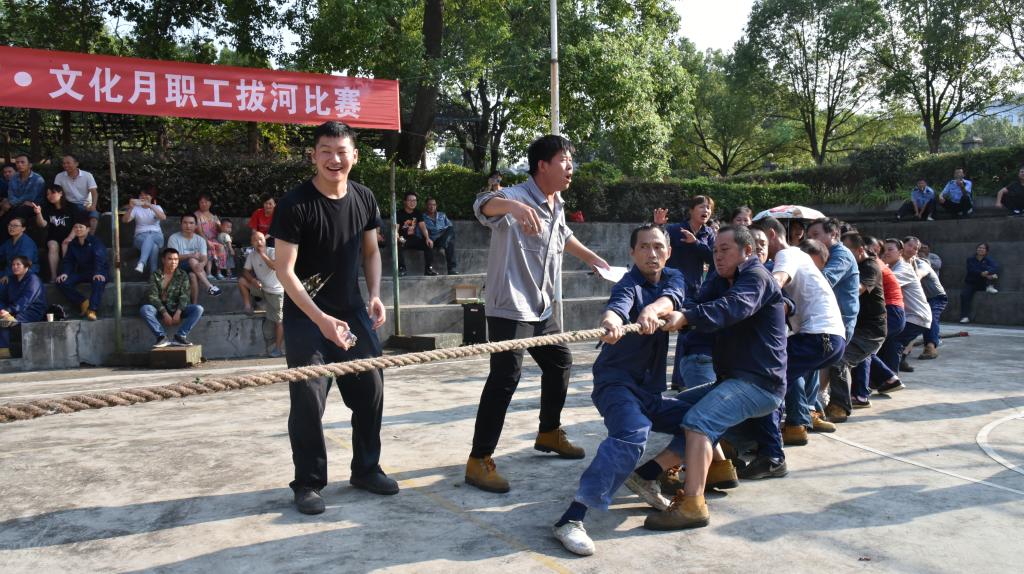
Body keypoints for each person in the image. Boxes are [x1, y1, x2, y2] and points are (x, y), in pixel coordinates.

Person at [465, 134, 609, 494]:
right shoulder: (515, 196)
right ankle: (478, 459)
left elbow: (564, 236)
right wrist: (512, 207)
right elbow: (482, 204)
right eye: (564, 161)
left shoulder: (556, 202)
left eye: (571, 161)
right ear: (542, 165)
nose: (570, 167)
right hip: (510, 306)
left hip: (541, 307)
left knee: (560, 362)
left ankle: (548, 432)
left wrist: (593, 259)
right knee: (505, 377)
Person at [270, 121, 395, 515]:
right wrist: (321, 320)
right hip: (306, 316)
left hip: (352, 310)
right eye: (325, 151)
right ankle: (308, 483)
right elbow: (285, 271)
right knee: (308, 399)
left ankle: (366, 469)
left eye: (342, 151)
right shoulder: (295, 204)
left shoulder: (364, 197)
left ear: (355, 156)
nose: (334, 159)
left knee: (371, 390)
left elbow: (371, 252)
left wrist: (374, 295)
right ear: (313, 155)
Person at [551, 224, 692, 556]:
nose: (652, 253)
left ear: (669, 252)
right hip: (615, 384)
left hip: (650, 391)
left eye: (658, 247)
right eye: (644, 247)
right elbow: (619, 303)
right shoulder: (628, 283)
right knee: (633, 431)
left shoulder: (674, 277)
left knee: (702, 421)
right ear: (632, 253)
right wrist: (613, 320)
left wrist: (651, 310)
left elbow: (672, 298)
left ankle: (647, 476)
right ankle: (571, 519)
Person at [642, 225, 788, 530]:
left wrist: (688, 317)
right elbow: (696, 302)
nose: (718, 256)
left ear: (747, 251)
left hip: (760, 384)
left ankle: (692, 505)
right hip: (732, 381)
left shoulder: (756, 278)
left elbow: (732, 307)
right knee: (671, 409)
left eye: (725, 250)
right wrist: (664, 311)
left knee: (699, 421)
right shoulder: (722, 280)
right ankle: (716, 469)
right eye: (715, 251)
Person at [750, 216, 845, 449]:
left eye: (759, 242)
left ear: (772, 234)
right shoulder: (799, 257)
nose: (755, 248)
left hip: (819, 335)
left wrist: (742, 304)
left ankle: (768, 443)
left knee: (769, 376)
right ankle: (795, 424)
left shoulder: (788, 254)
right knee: (785, 375)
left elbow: (777, 282)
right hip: (828, 336)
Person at [653, 196, 716, 390]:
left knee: (687, 333)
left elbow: (713, 257)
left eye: (709, 208)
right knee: (660, 335)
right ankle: (658, 381)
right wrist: (658, 225)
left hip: (695, 290)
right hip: (672, 289)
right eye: (702, 207)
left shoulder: (709, 233)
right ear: (691, 210)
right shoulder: (675, 229)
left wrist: (696, 243)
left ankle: (680, 381)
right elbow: (657, 242)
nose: (706, 211)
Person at [824, 233, 886, 422]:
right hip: (853, 327)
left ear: (859, 250)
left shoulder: (870, 267)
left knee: (839, 359)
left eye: (847, 251)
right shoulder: (854, 265)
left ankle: (840, 407)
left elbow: (855, 290)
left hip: (870, 331)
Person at [853, 236, 906, 407]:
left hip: (890, 312)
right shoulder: (873, 264)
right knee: (865, 349)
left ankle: (861, 394)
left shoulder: (872, 265)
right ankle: (888, 379)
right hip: (891, 312)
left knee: (862, 348)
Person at [878, 238, 930, 380]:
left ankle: (891, 378)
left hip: (916, 316)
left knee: (893, 341)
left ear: (900, 252)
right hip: (907, 315)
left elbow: (883, 283)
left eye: (890, 249)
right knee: (887, 341)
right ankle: (885, 378)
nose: (886, 253)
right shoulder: (890, 267)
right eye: (883, 250)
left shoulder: (903, 269)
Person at [140, 248, 204, 348]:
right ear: (163, 260)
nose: (174, 262)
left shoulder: (182, 275)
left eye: (176, 259)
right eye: (170, 259)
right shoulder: (156, 275)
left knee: (198, 309)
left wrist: (178, 312)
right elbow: (153, 297)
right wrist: (164, 313)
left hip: (178, 309)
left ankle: (180, 336)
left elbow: (185, 296)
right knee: (145, 309)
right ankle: (161, 337)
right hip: (160, 309)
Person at [238, 231, 284, 357]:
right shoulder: (251, 255)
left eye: (261, 239)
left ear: (265, 241)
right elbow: (245, 272)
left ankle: (278, 349)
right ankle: (248, 306)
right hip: (262, 288)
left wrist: (262, 254)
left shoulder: (272, 251)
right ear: (251, 243)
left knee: (279, 321)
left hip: (276, 292)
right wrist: (253, 280)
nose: (258, 242)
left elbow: (275, 266)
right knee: (242, 281)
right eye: (255, 240)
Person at [56, 216, 108, 321]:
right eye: (76, 227)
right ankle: (83, 303)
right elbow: (68, 260)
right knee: (62, 282)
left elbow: (100, 258)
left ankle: (92, 310)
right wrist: (65, 273)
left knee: (98, 281)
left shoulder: (95, 241)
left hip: (97, 271)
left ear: (88, 229)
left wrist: (98, 272)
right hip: (82, 272)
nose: (78, 229)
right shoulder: (73, 244)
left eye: (81, 227)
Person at [902, 236, 946, 360]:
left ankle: (930, 347)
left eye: (915, 248)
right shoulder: (898, 262)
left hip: (935, 297)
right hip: (917, 299)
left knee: (930, 317)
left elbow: (918, 275)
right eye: (909, 245)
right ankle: (905, 349)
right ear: (902, 246)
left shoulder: (922, 263)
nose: (912, 249)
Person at [0, 256, 47, 359]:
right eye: (13, 265)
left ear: (26, 267)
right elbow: (3, 297)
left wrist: (8, 311)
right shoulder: (11, 279)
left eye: (18, 264)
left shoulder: (33, 279)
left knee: (5, 321)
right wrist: (3, 310)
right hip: (13, 311)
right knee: (3, 319)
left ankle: (4, 350)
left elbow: (26, 300)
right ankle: (3, 350)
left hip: (31, 311)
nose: (15, 267)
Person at [167, 214, 222, 297]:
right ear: (181, 224)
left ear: (196, 225)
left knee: (192, 275)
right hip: (177, 267)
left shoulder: (200, 240)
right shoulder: (174, 238)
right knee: (192, 259)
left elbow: (204, 258)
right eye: (185, 223)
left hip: (195, 268)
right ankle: (209, 286)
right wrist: (191, 255)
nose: (188, 226)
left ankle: (194, 303)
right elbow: (173, 257)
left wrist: (202, 264)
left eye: (191, 223)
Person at [33, 184, 77, 282]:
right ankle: (53, 276)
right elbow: (42, 224)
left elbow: (77, 224)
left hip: (69, 235)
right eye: (47, 194)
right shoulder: (47, 208)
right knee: (52, 246)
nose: (50, 196)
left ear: (61, 193)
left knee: (66, 244)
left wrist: (70, 238)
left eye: (52, 193)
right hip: (53, 237)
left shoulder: (71, 207)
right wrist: (38, 213)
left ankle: (66, 273)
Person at [122, 186, 166, 274]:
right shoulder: (136, 209)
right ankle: (153, 274)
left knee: (150, 236)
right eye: (141, 195)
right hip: (140, 238)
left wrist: (151, 206)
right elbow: (125, 220)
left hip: (157, 236)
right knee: (154, 247)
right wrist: (131, 207)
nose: (143, 197)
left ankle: (142, 262)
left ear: (151, 197)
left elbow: (163, 217)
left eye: (146, 195)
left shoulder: (157, 207)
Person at [53, 154, 100, 234]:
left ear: (76, 164)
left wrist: (93, 206)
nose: (65, 165)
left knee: (94, 218)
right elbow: (57, 193)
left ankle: (90, 238)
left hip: (85, 204)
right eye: (64, 163)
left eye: (68, 163)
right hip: (69, 204)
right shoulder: (59, 176)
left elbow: (94, 192)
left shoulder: (87, 175)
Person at [2, 154, 46, 235]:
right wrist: (16, 202)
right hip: (16, 206)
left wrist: (13, 202)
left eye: (22, 162)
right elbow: (11, 195)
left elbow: (30, 197)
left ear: (30, 165)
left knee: (17, 213)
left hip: (34, 207)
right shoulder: (14, 177)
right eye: (17, 162)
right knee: (6, 213)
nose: (19, 164)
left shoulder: (37, 179)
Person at [396, 192, 436, 276]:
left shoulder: (417, 213)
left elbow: (423, 226)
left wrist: (427, 238)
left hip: (413, 238)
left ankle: (429, 269)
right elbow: (396, 228)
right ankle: (402, 269)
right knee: (399, 244)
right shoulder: (399, 213)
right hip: (403, 238)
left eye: (414, 200)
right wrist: (397, 236)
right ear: (405, 202)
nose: (413, 202)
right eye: (410, 200)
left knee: (428, 244)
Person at [959, 242, 999, 323]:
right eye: (979, 247)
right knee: (964, 295)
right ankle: (965, 316)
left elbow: (995, 267)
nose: (981, 249)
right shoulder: (970, 259)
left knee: (993, 273)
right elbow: (971, 270)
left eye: (983, 248)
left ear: (986, 251)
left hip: (983, 283)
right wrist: (982, 273)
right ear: (977, 249)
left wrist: (987, 272)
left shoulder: (988, 259)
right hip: (971, 283)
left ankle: (989, 287)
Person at [193, 193, 228, 280]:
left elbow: (220, 230)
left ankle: (219, 272)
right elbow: (199, 231)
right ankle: (208, 273)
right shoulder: (196, 215)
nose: (204, 204)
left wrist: (221, 227)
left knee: (221, 247)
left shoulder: (214, 217)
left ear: (210, 203)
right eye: (201, 202)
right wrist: (207, 241)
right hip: (201, 239)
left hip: (214, 239)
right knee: (210, 247)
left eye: (206, 202)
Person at [421, 197, 459, 275]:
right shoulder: (422, 217)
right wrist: (427, 238)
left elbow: (449, 226)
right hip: (432, 239)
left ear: (436, 206)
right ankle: (443, 247)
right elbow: (420, 230)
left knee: (450, 230)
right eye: (430, 205)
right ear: (426, 206)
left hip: (443, 237)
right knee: (450, 243)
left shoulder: (442, 215)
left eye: (434, 205)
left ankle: (451, 269)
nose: (432, 207)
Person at [0, 217, 40, 285]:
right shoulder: (8, 242)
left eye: (15, 225)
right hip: (8, 271)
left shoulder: (27, 243)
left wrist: (8, 275)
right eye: (10, 225)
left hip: (24, 274)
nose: (11, 227)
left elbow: (23, 264)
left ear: (23, 228)